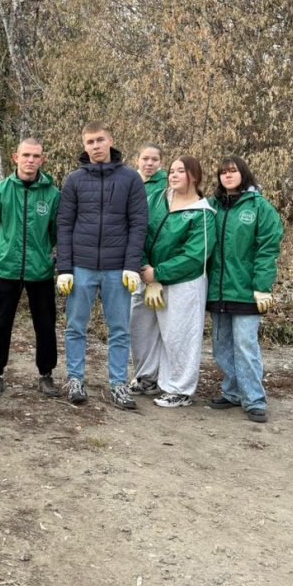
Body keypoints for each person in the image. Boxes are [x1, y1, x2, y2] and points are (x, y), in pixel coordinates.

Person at [56, 124, 149, 407]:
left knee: (119, 328)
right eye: (89, 141)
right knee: (75, 326)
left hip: (117, 268)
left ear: (111, 140)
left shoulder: (131, 179)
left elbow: (138, 224)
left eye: (99, 140)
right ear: (84, 146)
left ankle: (119, 384)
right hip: (81, 267)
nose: (95, 145)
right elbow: (64, 224)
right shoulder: (74, 180)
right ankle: (75, 379)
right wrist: (64, 268)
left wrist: (132, 265)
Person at [0, 139, 61, 399]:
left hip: (40, 270)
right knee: (0, 323)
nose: (30, 160)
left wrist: (46, 255)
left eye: (36, 156)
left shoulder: (52, 194)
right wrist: (0, 252)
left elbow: (56, 231)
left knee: (45, 324)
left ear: (42, 160)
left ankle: (46, 374)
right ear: (15, 157)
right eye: (26, 155)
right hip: (7, 269)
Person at [132, 155, 216, 408]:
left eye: (181, 171)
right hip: (147, 276)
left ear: (195, 176)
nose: (174, 175)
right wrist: (146, 269)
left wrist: (159, 273)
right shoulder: (157, 199)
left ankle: (179, 388)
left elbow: (195, 255)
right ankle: (147, 377)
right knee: (140, 328)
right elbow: (139, 231)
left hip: (183, 283)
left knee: (179, 333)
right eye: (172, 171)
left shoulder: (203, 214)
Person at [206, 155, 284, 423]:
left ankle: (254, 399)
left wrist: (262, 286)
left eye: (233, 171)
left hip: (246, 290)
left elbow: (267, 249)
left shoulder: (259, 207)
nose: (227, 176)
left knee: (246, 345)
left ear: (243, 174)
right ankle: (232, 391)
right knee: (221, 345)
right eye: (223, 173)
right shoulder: (212, 206)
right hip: (217, 290)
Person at [128, 143, 169, 397]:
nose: (150, 163)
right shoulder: (130, 183)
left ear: (161, 163)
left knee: (164, 327)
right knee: (138, 323)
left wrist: (156, 272)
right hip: (134, 264)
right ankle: (143, 375)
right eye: (145, 158)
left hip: (157, 268)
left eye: (155, 159)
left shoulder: (167, 188)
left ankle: (162, 378)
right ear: (137, 160)